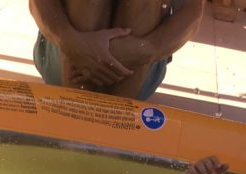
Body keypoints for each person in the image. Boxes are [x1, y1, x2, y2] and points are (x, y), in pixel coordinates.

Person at [29, 0, 204, 100]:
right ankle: (74, 115)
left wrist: (144, 50)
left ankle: (116, 122)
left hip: (138, 70)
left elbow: (192, 11)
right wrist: (71, 43)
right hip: (63, 59)